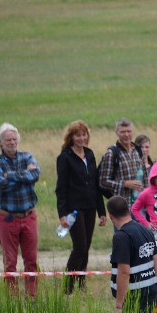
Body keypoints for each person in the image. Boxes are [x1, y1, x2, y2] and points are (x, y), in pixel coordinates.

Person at [55, 120, 107, 294]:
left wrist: (102, 211)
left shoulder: (90, 154)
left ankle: (81, 283)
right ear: (71, 137)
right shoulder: (65, 157)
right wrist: (62, 214)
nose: (81, 138)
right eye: (78, 135)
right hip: (73, 209)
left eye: (84, 134)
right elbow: (60, 188)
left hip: (91, 206)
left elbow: (95, 184)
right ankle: (68, 287)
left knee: (87, 246)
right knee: (80, 246)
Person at [0, 122, 40, 297]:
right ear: (0, 143)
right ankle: (13, 298)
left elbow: (35, 175)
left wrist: (9, 176)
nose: (12, 142)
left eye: (14, 138)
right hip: (7, 218)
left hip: (29, 216)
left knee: (31, 260)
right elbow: (0, 185)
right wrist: (23, 177)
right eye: (7, 140)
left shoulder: (27, 157)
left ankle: (32, 296)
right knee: (10, 262)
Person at [107, 195, 157, 313]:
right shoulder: (146, 230)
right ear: (129, 209)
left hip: (133, 298)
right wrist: (152, 286)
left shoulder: (121, 237)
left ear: (110, 216)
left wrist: (119, 306)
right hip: (151, 293)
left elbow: (124, 272)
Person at [99, 118, 146, 204]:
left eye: (129, 131)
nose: (126, 134)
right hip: (121, 205)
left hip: (139, 204)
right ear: (117, 133)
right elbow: (103, 182)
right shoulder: (111, 154)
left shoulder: (138, 151)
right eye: (123, 132)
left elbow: (145, 177)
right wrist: (125, 184)